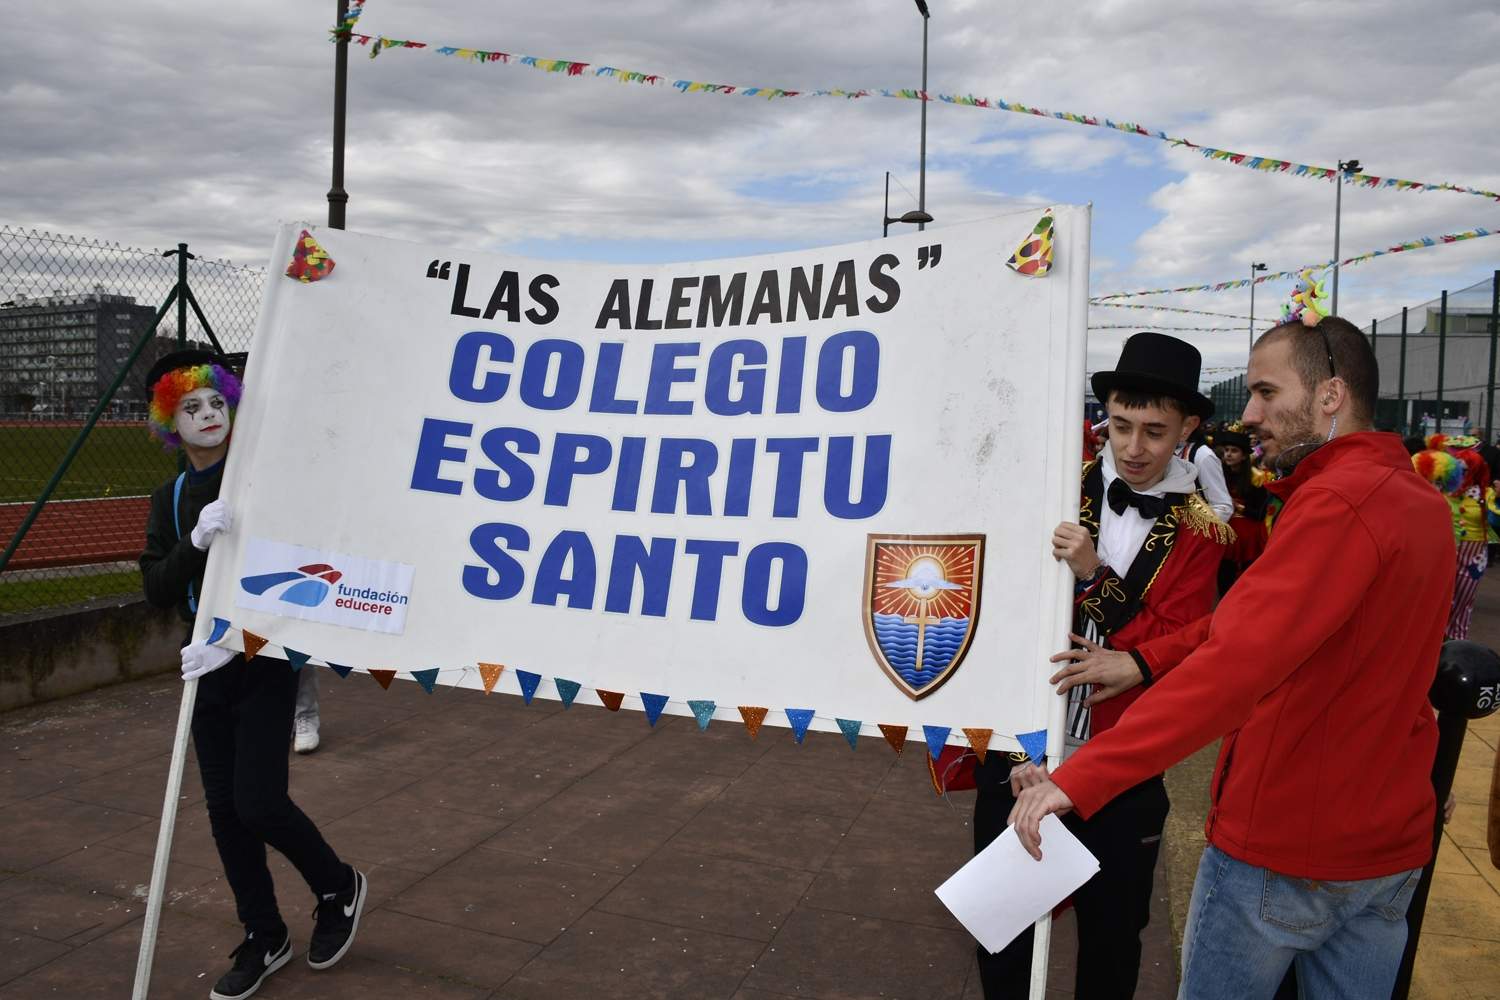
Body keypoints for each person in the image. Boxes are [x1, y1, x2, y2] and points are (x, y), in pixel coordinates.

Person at [1012, 315, 1456, 999]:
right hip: (1387, 842)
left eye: (1266, 392)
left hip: (1287, 843)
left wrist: (1085, 775)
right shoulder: (1421, 504)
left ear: (1331, 395)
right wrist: (1150, 661)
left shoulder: (1335, 503)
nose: (1248, 414)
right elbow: (1250, 627)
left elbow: (1236, 661)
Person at [969, 332, 1228, 998]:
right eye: (1120, 426)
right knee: (1003, 938)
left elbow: (1187, 640)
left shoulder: (1203, 529)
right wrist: (1014, 743)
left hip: (1122, 766)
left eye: (1155, 431)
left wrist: (1121, 631)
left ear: (1189, 427)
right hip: (1024, 757)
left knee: (1112, 945)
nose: (1135, 448)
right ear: (1102, 416)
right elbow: (1000, 615)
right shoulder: (1054, 482)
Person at [138, 349, 366, 1000]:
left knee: (259, 802)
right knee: (223, 814)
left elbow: (297, 583)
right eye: (191, 407)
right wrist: (195, 542)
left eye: (216, 403)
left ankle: (337, 885)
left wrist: (236, 640)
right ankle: (263, 933)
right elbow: (157, 586)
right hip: (202, 666)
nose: (208, 415)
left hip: (263, 658)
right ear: (167, 421)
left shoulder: (259, 481)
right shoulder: (171, 498)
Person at [1213, 423, 1270, 594]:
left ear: (1244, 456)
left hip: (1248, 537)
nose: (1228, 454)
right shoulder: (1218, 473)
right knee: (1223, 577)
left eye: (1234, 451)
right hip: (1225, 533)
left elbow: (1259, 513)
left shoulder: (1256, 478)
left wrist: (1237, 506)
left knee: (1246, 576)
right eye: (1226, 450)